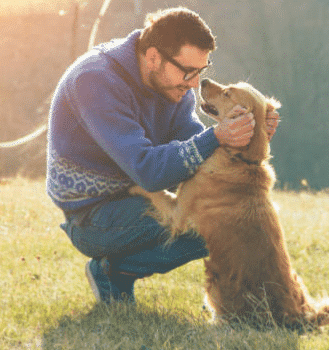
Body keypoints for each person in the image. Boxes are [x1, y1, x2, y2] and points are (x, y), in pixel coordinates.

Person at [46, 7, 279, 304]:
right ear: (154, 57)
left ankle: (114, 272)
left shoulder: (174, 88)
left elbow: (193, 150)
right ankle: (110, 272)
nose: (195, 83)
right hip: (93, 215)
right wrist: (217, 136)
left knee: (226, 219)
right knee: (210, 221)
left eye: (201, 72)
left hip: (136, 197)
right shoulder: (96, 81)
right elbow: (149, 171)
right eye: (188, 72)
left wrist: (248, 138)